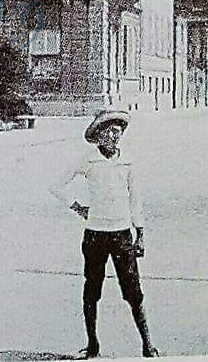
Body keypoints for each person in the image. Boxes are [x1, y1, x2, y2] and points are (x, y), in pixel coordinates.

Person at [51, 109, 158, 359]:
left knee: (134, 291)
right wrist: (77, 206)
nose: (114, 135)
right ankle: (93, 345)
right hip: (95, 235)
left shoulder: (128, 161)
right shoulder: (88, 160)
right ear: (98, 135)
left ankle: (148, 345)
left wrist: (140, 233)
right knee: (92, 289)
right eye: (109, 130)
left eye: (118, 130)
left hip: (122, 234)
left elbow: (136, 199)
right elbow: (56, 186)